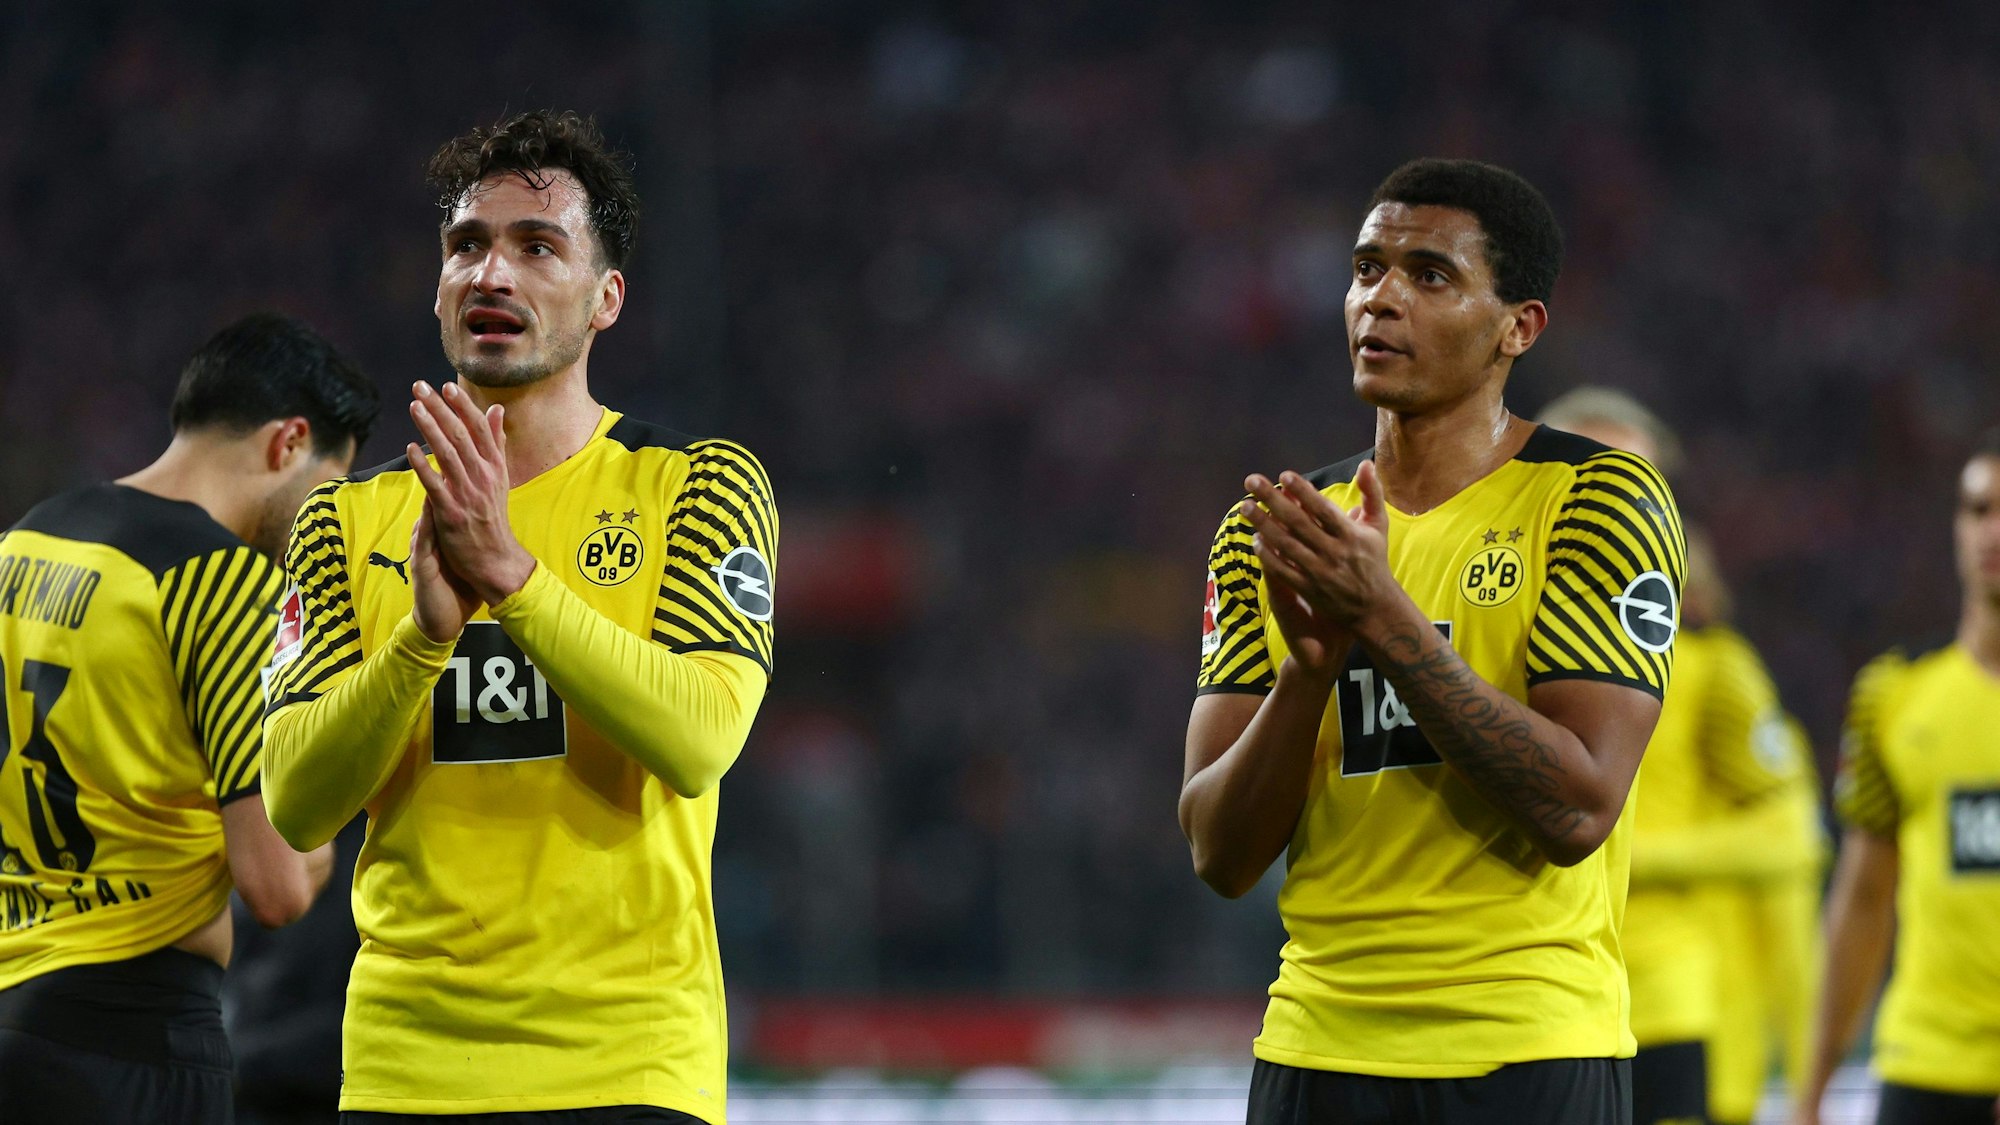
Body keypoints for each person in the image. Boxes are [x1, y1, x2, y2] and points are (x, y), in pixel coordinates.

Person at [262, 110, 777, 1125]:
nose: (490, 274)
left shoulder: (698, 484)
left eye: (536, 247)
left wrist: (513, 578)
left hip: (626, 1065)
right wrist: (421, 641)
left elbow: (699, 737)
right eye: (467, 246)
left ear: (604, 301)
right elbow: (295, 803)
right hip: (405, 1069)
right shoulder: (341, 518)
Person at [1180, 158, 1685, 1125]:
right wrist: (1308, 674)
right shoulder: (1284, 529)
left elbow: (1577, 810)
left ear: (1518, 327)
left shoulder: (1595, 496)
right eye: (1367, 268)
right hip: (1315, 1050)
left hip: (1529, 1053)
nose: (1382, 299)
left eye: (1430, 274)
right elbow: (1220, 853)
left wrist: (1383, 618)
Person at [0, 312, 367, 1123]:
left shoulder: (26, 540)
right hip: (135, 1039)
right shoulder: (228, 583)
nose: (320, 526)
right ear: (288, 442)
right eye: (326, 490)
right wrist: (321, 833)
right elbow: (274, 887)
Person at [1541, 387, 1825, 1125]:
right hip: (1521, 985)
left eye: (1636, 480)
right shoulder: (1480, 638)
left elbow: (1790, 835)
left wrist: (1633, 850)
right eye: (1588, 471)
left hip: (1662, 995)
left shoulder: (1708, 665)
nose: (1613, 499)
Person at [1793, 431, 2000, 1125]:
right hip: (1926, 1067)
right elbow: (1862, 898)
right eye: (1977, 509)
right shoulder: (1894, 694)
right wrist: (1813, 1085)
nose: (1990, 531)